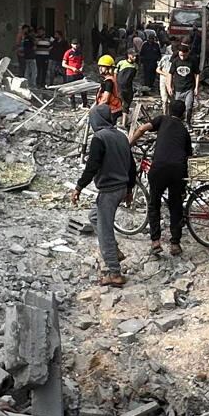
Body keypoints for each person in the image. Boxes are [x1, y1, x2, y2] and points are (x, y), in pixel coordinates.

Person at [73, 103, 134, 286]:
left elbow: (92, 166)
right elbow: (132, 165)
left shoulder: (99, 138)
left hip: (109, 190)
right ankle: (114, 251)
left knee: (104, 230)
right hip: (122, 186)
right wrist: (130, 189)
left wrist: (78, 187)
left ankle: (114, 273)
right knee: (94, 216)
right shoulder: (121, 136)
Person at [131, 98, 191, 255]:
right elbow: (188, 156)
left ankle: (156, 241)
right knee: (175, 205)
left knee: (154, 203)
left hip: (159, 168)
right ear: (183, 114)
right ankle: (175, 243)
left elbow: (142, 129)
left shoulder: (162, 119)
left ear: (169, 110)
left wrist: (129, 143)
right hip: (177, 170)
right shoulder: (184, 130)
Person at [169, 41, 201, 121]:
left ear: (188, 53)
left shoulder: (192, 61)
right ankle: (178, 123)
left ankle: (188, 122)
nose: (182, 57)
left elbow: (197, 74)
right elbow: (170, 74)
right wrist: (169, 86)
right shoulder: (175, 61)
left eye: (184, 55)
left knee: (189, 107)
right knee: (177, 109)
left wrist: (196, 88)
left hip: (189, 88)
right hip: (178, 89)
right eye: (181, 55)